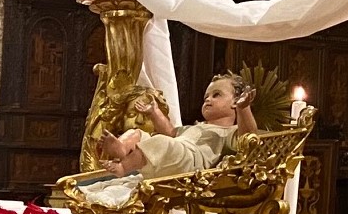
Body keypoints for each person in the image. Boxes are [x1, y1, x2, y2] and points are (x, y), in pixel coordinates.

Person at [94, 72, 258, 179]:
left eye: (217, 95)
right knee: (137, 132)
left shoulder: (228, 132)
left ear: (235, 102)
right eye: (206, 96)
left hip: (192, 161)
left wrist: (244, 109)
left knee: (160, 142)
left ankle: (123, 167)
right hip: (176, 149)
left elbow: (248, 137)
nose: (208, 99)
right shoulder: (194, 128)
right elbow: (171, 132)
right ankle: (121, 148)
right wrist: (154, 112)